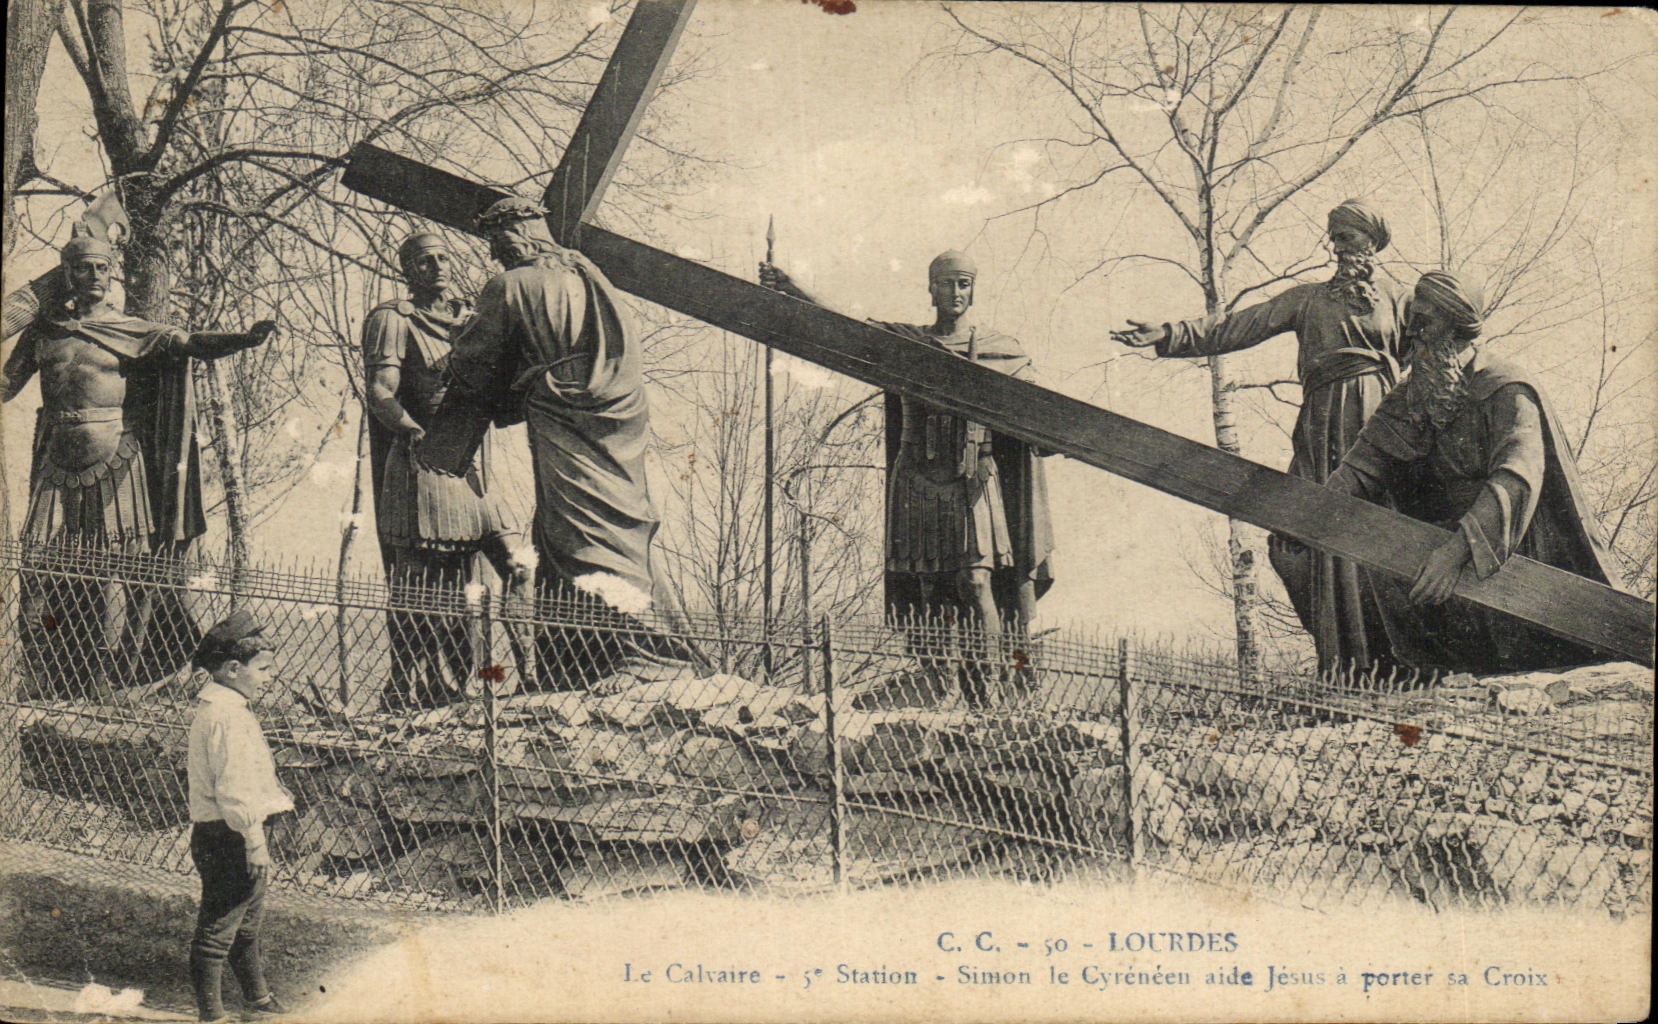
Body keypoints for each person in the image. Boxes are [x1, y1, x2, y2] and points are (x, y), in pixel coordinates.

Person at [1110, 200, 1411, 675]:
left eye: (1346, 236)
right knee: (1300, 533)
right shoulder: (1306, 299)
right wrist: (1169, 333)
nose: (1336, 246)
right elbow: (1238, 326)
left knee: (1381, 527)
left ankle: (1396, 661)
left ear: (1372, 241)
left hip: (1378, 423)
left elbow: (1440, 351)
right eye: (1333, 237)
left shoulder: (1402, 299)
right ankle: (1342, 662)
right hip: (1320, 427)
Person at [423, 197, 698, 687]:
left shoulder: (510, 285)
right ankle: (587, 658)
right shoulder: (590, 277)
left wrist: (457, 341)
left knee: (580, 531)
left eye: (497, 241)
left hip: (562, 416)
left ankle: (625, 653)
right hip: (615, 415)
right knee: (605, 526)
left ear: (519, 235)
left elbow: (476, 362)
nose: (494, 254)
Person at [762, 251, 1055, 706]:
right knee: (930, 589)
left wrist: (1049, 430)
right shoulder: (907, 343)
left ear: (973, 290)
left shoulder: (1003, 351)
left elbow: (1043, 412)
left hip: (973, 479)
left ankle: (993, 692)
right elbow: (845, 327)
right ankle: (937, 688)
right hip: (916, 479)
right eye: (946, 283)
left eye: (963, 283)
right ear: (931, 288)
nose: (955, 292)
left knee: (976, 582)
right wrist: (792, 287)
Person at [2, 215, 275, 698]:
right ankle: (42, 672)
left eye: (101, 268)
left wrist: (243, 339)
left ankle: (118, 674)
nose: (93, 276)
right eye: (82, 268)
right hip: (55, 463)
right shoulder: (43, 330)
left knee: (123, 570)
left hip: (116, 459)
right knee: (40, 563)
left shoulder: (131, 329)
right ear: (66, 274)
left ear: (111, 275)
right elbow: (6, 384)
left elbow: (190, 343)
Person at [1324, 271, 1620, 676]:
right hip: (1435, 552)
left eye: (1424, 321)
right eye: (1411, 320)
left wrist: (1455, 554)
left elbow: (1515, 479)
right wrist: (1307, 512)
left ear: (1455, 326)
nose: (1411, 332)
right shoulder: (1410, 396)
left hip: (1502, 551)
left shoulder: (1506, 388)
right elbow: (1362, 466)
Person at [361, 231, 529, 710]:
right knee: (422, 584)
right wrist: (412, 431)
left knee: (518, 567)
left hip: (472, 465)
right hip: (424, 463)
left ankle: (522, 675)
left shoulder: (473, 321)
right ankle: (413, 685)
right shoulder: (393, 319)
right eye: (424, 261)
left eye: (443, 258)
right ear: (408, 270)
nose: (437, 267)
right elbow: (381, 390)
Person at [186, 610, 293, 1021]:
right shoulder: (225, 716)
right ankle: (211, 1014)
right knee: (218, 930)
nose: (270, 677)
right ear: (233, 669)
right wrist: (254, 842)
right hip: (229, 837)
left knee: (247, 926)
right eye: (263, 669)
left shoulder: (229, 707)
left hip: (238, 833)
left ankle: (258, 998)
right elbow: (233, 790)